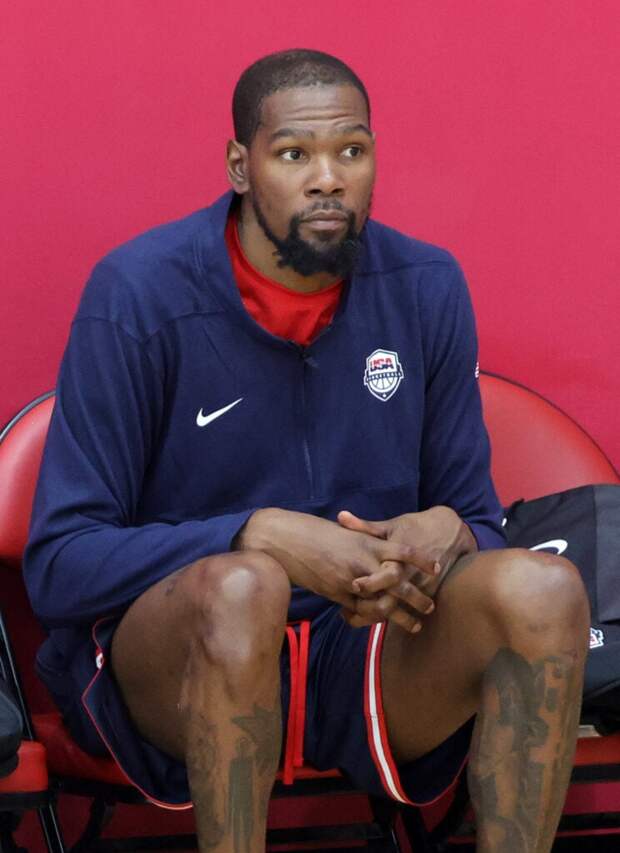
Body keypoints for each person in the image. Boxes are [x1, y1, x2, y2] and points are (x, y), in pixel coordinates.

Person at [25, 49, 589, 852]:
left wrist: (450, 533)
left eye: (351, 152)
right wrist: (259, 533)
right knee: (243, 585)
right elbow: (58, 565)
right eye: (295, 154)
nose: (328, 177)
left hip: (364, 649)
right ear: (240, 166)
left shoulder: (427, 285)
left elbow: (479, 517)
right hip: (183, 655)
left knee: (544, 587)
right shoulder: (138, 291)